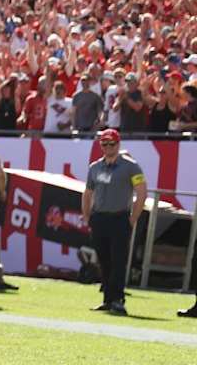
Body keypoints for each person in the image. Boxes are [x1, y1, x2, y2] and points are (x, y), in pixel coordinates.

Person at [82, 128, 146, 316]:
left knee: (118, 260)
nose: (108, 147)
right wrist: (87, 216)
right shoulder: (95, 167)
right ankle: (108, 299)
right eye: (104, 144)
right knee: (104, 260)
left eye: (112, 144)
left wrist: (133, 218)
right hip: (100, 217)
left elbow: (141, 192)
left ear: (118, 144)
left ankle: (118, 299)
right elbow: (87, 193)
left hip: (119, 217)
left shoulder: (130, 166)